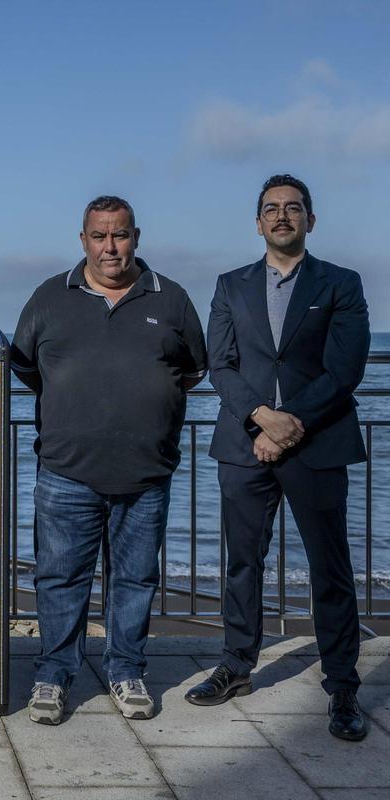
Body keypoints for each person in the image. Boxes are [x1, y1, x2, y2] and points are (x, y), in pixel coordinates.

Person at [11, 196, 207, 725]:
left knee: (135, 579)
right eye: (99, 236)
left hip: (146, 473)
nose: (110, 247)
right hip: (66, 472)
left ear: (136, 237)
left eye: (119, 235)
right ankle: (54, 676)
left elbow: (193, 369)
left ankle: (126, 671)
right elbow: (26, 367)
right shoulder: (50, 296)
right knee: (59, 578)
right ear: (83, 240)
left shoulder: (171, 298)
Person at [188, 174, 370, 742]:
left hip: (317, 443)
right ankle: (236, 666)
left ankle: (342, 686)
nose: (282, 216)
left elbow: (345, 369)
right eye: (272, 208)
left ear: (310, 220)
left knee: (330, 568)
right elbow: (220, 365)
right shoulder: (230, 285)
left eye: (293, 208)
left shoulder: (341, 282)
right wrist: (262, 418)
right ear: (258, 222)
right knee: (243, 562)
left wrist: (288, 425)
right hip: (244, 444)